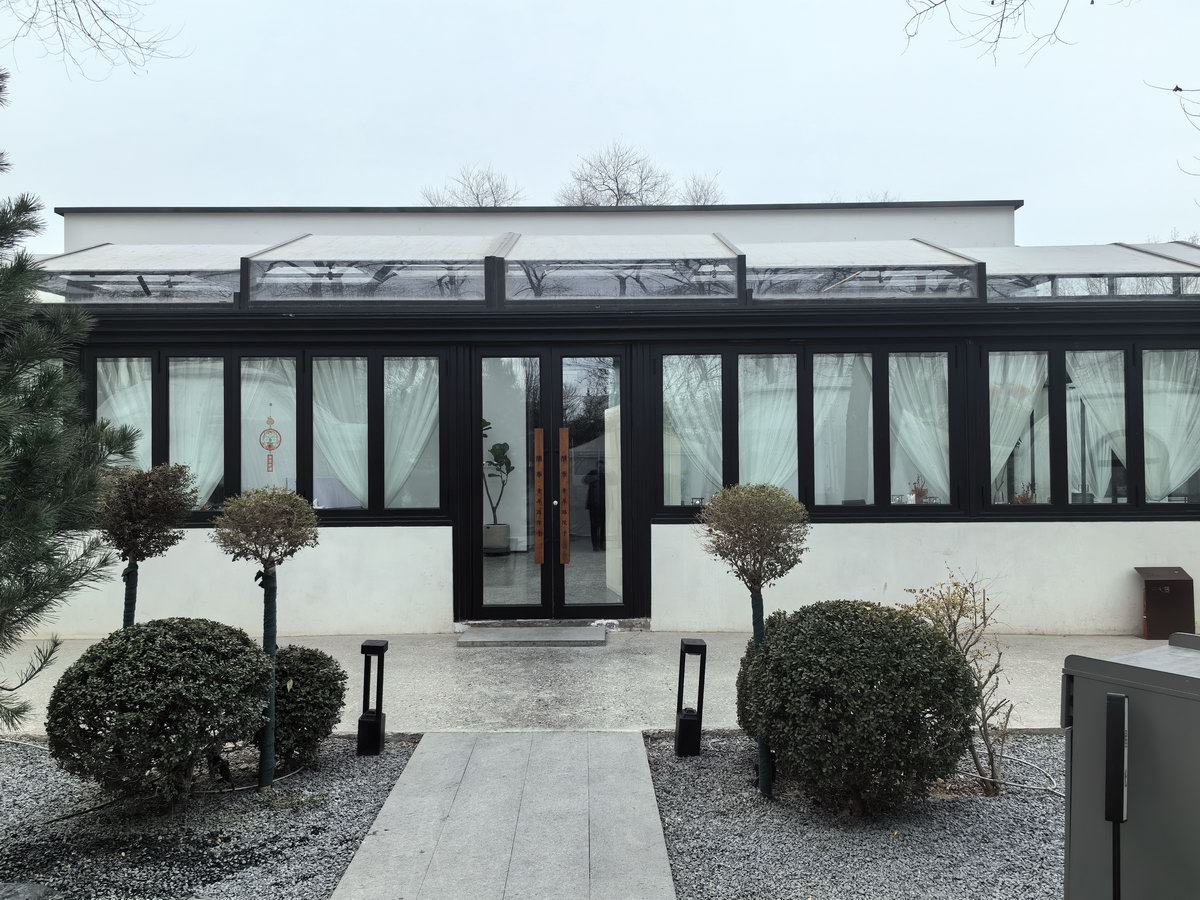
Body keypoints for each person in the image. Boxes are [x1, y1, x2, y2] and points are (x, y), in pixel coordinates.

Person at [583, 460, 606, 551]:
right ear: (597, 466)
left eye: (602, 467)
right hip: (593, 504)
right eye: (600, 466)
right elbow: (584, 480)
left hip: (604, 504)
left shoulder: (606, 474)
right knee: (594, 526)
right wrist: (597, 477)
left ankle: (601, 544)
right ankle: (595, 545)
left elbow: (615, 480)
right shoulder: (592, 473)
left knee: (603, 525)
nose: (601, 468)